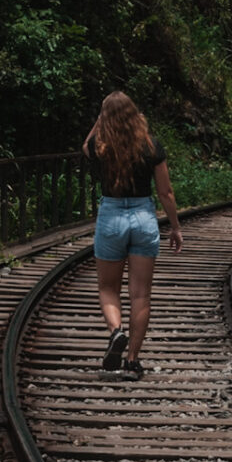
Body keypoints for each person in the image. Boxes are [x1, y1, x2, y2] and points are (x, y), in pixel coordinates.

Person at [82, 91, 183, 376]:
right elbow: (165, 191)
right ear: (134, 115)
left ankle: (116, 332)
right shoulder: (151, 146)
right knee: (140, 295)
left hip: (111, 216)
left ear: (105, 119)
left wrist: (103, 117)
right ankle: (133, 360)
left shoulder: (99, 147)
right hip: (142, 217)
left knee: (107, 288)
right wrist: (175, 227)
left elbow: (85, 147)